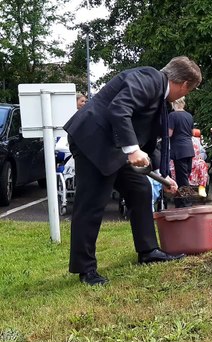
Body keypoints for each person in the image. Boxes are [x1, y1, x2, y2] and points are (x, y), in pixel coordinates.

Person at [63, 56, 202, 286]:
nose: (185, 95)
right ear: (185, 84)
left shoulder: (160, 97)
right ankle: (86, 268)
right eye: (189, 91)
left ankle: (148, 251)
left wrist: (162, 174)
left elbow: (145, 137)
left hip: (116, 147)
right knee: (92, 203)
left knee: (140, 190)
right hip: (93, 142)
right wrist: (132, 150)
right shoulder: (149, 78)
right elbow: (119, 108)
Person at [168, 96, 195, 208]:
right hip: (189, 148)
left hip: (178, 149)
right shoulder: (189, 116)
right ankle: (180, 201)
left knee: (182, 177)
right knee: (185, 176)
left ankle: (185, 202)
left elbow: (169, 133)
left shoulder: (172, 116)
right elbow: (192, 132)